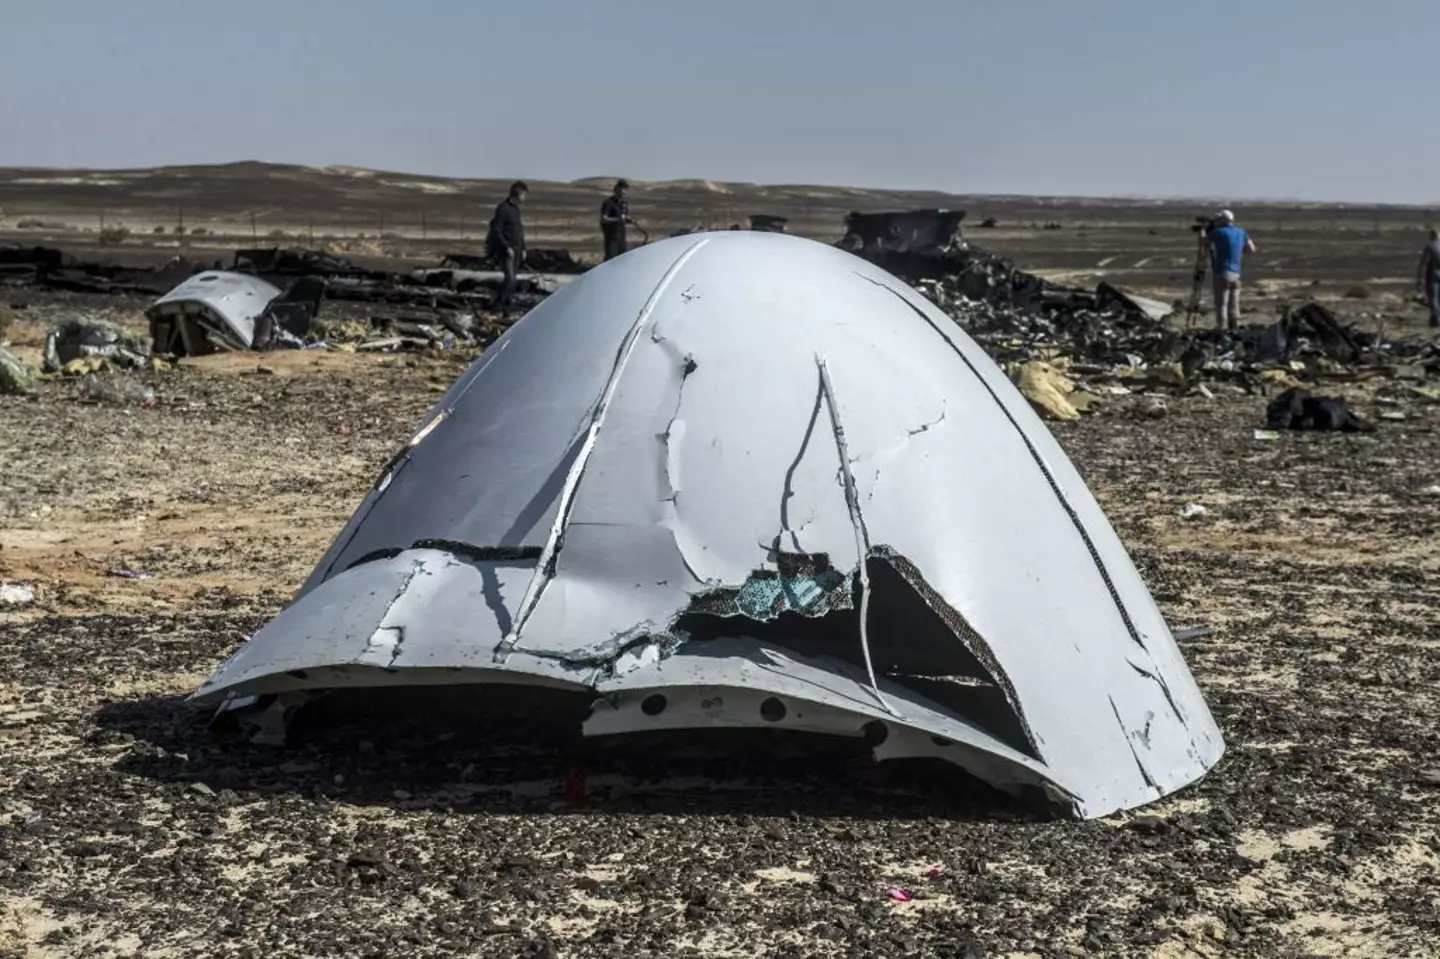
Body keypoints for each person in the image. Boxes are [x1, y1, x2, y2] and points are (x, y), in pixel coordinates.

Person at [1206, 209, 1256, 330]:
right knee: (1234, 303)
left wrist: (1204, 231)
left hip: (1222, 272)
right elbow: (1251, 249)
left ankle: (1221, 328)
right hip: (1236, 273)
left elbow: (1203, 241)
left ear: (1222, 221)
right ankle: (1235, 327)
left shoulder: (1219, 233)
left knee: (1222, 304)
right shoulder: (1241, 232)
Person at [486, 181, 528, 310]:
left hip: (517, 249)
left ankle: (508, 301)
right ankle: (499, 302)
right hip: (507, 250)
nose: (525, 198)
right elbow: (497, 229)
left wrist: (524, 248)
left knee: (514, 278)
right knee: (509, 277)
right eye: (524, 195)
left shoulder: (516, 210)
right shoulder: (503, 208)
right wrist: (506, 246)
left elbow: (519, 230)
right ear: (518, 194)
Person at [599, 179, 633, 261]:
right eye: (622, 190)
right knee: (610, 260)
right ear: (616, 190)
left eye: (625, 191)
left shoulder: (624, 204)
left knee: (622, 259)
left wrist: (628, 220)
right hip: (612, 237)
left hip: (622, 237)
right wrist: (618, 219)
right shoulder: (608, 203)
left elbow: (624, 217)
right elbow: (604, 219)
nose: (624, 193)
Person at [1416, 229, 1440, 329]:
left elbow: (1423, 264)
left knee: (1433, 297)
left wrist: (1419, 278)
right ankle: (1434, 319)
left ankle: (1436, 318)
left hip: (1433, 274)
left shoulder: (1430, 247)